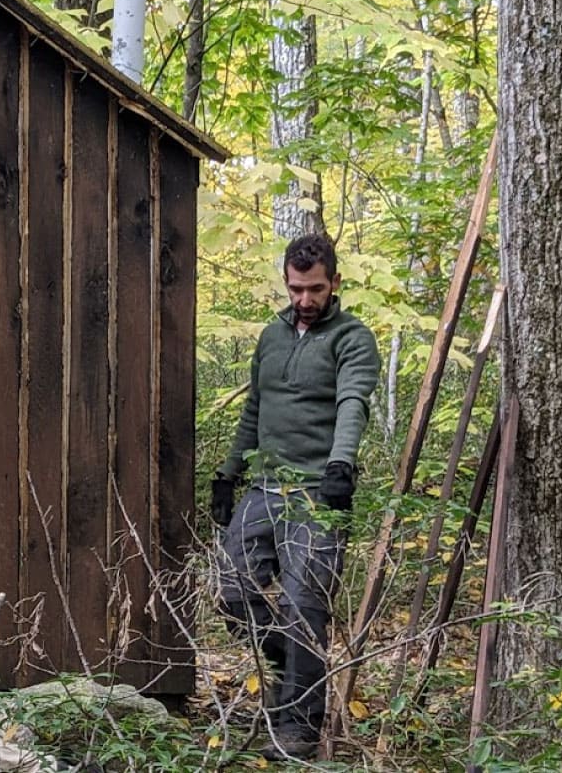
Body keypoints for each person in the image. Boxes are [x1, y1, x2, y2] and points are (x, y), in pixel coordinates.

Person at [210, 233, 379, 760]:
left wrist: (339, 465)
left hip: (317, 493)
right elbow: (255, 409)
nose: (305, 300)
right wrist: (227, 473)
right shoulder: (271, 336)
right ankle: (293, 665)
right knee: (230, 588)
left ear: (335, 284)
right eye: (296, 288)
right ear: (285, 282)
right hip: (264, 487)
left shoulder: (352, 338)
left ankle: (299, 726)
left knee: (306, 606)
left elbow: (353, 402)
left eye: (315, 289)